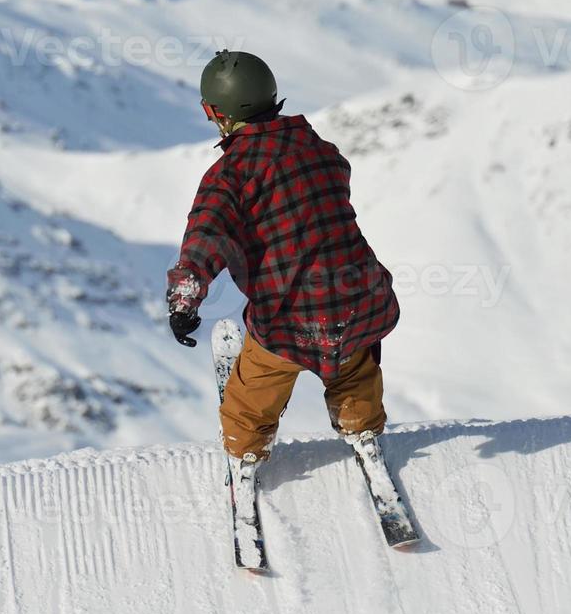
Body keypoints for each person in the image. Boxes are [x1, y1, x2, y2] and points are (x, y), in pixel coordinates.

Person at [166, 49, 400, 479]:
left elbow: (205, 238)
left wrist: (185, 301)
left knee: (253, 393)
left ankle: (246, 452)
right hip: (360, 299)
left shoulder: (229, 176)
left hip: (288, 318)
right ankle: (361, 427)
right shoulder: (323, 150)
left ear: (219, 113)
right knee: (353, 367)